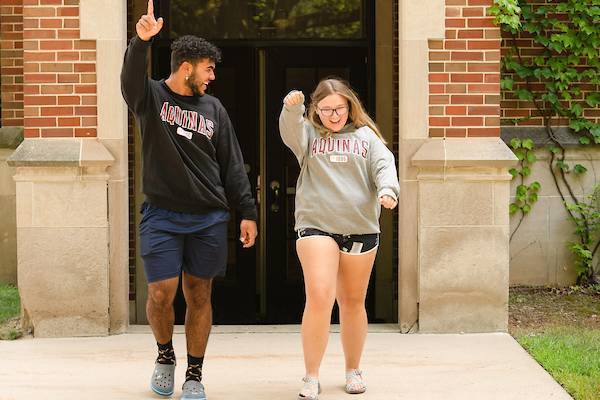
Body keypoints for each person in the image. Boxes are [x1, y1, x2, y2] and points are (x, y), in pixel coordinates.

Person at [120, 2, 257, 399]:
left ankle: (194, 374)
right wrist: (141, 42)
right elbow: (130, 82)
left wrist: (246, 211)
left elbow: (233, 165)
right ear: (186, 68)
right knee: (161, 292)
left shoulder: (214, 109)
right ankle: (165, 357)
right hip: (161, 215)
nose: (212, 77)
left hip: (209, 217)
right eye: (208, 69)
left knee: (199, 293)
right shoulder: (151, 99)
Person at [279, 78, 399, 399]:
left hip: (360, 227)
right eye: (327, 109)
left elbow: (384, 165)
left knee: (352, 301)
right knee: (319, 295)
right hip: (316, 225)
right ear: (317, 110)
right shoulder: (309, 135)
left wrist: (388, 189)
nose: (334, 115)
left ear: (350, 106)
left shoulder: (366, 137)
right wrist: (292, 110)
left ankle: (353, 370)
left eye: (340, 109)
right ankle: (311, 376)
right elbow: (291, 131)